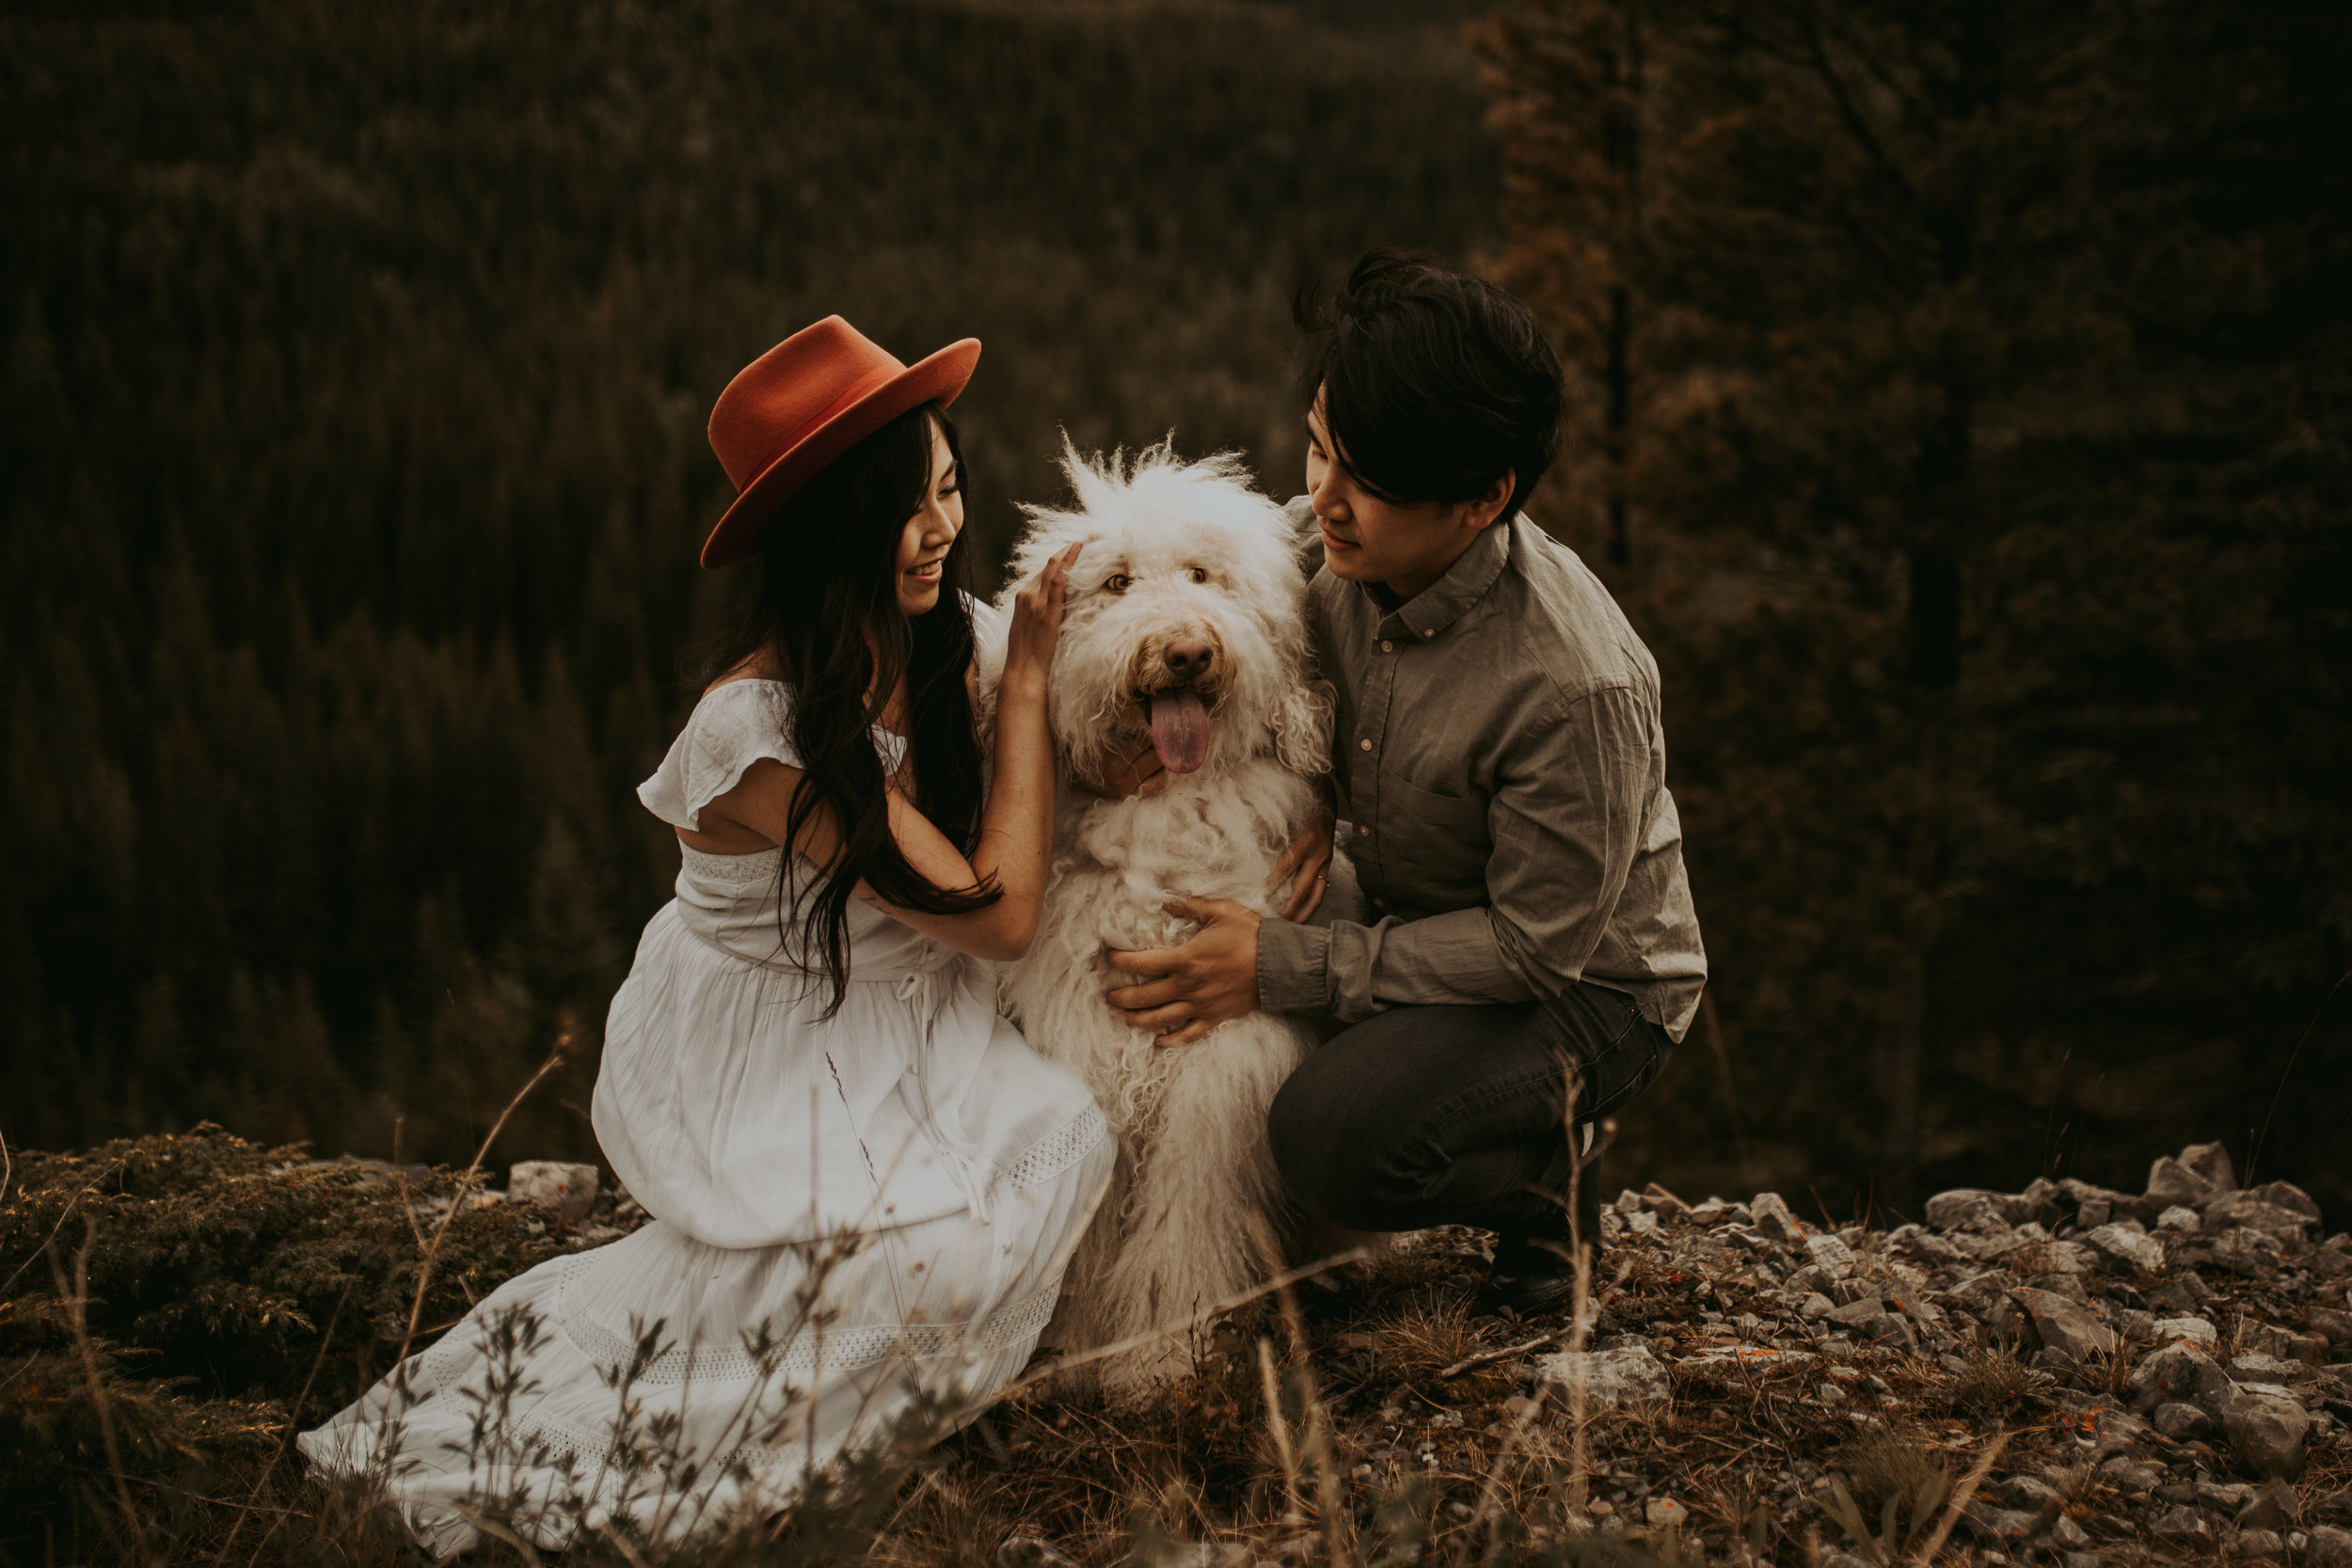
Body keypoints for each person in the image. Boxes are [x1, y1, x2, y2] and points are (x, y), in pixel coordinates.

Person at [300, 317, 1113, 1552]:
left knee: (1058, 1137)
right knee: (860, 1269)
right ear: (827, 538)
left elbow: (1085, 768)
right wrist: (1039, 683)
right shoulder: (757, 736)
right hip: (773, 1041)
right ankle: (741, 1445)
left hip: (905, 1015)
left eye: (949, 487)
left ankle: (872, 1402)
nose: (941, 529)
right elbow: (996, 914)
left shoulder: (949, 632)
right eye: (902, 510)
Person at [1101, 251, 1708, 1314]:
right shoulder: (1317, 554)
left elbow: (1531, 946)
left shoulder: (1573, 685)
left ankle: (1548, 1182)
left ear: (1483, 499)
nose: (1320, 500)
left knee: (1331, 1142)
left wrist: (1283, 964)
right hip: (1409, 913)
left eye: (1369, 482)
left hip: (1585, 987)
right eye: (1319, 450)